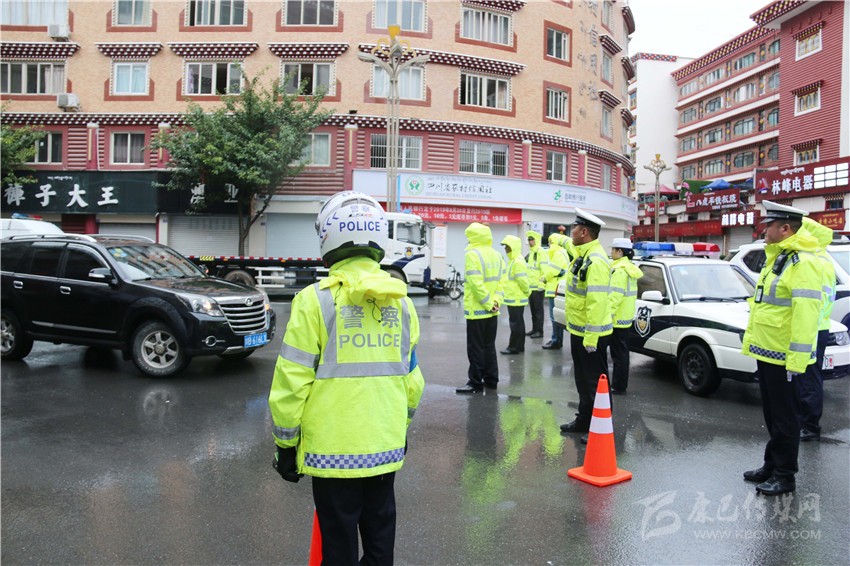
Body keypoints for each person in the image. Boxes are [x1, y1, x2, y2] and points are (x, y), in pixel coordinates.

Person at [268, 191, 425, 564]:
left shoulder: (314, 301)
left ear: (329, 237)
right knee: (380, 541)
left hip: (332, 454)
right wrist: (399, 429)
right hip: (384, 447)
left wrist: (285, 445)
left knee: (338, 548)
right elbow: (412, 382)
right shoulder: (402, 303)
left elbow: (291, 383)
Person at [741, 200, 824, 496]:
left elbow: (806, 314)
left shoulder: (803, 263)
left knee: (786, 417)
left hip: (786, 356)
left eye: (769, 226)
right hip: (769, 351)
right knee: (773, 414)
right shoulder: (779, 258)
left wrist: (797, 361)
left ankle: (785, 476)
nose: (764, 230)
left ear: (785, 228)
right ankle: (772, 465)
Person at [559, 209, 613, 436]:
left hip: (592, 335)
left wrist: (591, 338)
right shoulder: (584, 252)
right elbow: (568, 244)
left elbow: (597, 302)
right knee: (583, 381)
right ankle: (584, 421)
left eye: (574, 228)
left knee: (595, 384)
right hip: (579, 331)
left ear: (583, 232)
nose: (571, 232)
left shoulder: (596, 261)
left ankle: (599, 429)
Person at [796, 216, 835, 442]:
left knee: (809, 377)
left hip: (812, 326)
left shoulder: (814, 261)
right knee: (810, 375)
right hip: (819, 325)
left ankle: (810, 425)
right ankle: (807, 422)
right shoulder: (823, 258)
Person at [456, 222, 503, 394]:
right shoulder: (497, 254)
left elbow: (475, 284)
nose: (467, 240)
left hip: (477, 311)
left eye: (469, 237)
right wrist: (495, 302)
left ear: (474, 237)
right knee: (489, 346)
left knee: (475, 348)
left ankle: (475, 382)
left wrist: (488, 304)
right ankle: (491, 379)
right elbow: (501, 282)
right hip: (493, 311)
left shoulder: (472, 254)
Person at [608, 237, 642, 395]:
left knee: (618, 355)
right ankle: (620, 384)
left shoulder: (620, 270)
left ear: (620, 251)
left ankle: (618, 386)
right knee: (622, 353)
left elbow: (615, 296)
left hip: (616, 318)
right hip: (625, 317)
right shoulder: (630, 268)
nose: (611, 252)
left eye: (613, 250)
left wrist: (608, 315)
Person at [500, 234, 531, 355]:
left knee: (515, 323)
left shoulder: (517, 262)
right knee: (518, 322)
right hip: (515, 297)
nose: (505, 249)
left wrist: (527, 291)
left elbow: (522, 280)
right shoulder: (515, 260)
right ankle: (519, 346)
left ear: (513, 247)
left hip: (516, 298)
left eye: (507, 246)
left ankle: (513, 347)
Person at [541, 233, 571, 350]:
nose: (549, 244)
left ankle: (556, 341)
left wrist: (544, 278)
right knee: (557, 317)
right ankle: (556, 339)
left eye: (550, 242)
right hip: (557, 288)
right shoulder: (561, 253)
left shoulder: (558, 254)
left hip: (555, 288)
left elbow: (552, 271)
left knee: (555, 317)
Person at [524, 230, 546, 339]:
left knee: (538, 311)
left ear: (536, 240)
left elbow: (544, 270)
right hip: (531, 287)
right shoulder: (531, 253)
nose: (530, 241)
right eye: (529, 240)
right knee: (533, 311)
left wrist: (541, 285)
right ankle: (534, 329)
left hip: (538, 287)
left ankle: (539, 331)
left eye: (532, 239)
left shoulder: (541, 252)